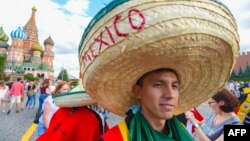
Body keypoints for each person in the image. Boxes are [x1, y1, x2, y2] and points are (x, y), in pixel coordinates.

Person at [75, 0, 239, 140]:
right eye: (159, 85)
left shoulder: (238, 126)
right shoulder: (211, 118)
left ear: (222, 102)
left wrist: (196, 124)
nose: (170, 94)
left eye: (175, 86)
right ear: (138, 91)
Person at [36, 81, 109, 141]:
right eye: (64, 89)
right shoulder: (95, 118)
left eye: (67, 89)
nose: (66, 91)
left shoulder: (62, 110)